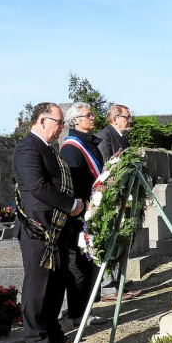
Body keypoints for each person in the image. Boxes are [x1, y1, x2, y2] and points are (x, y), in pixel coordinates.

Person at [13, 102, 84, 343]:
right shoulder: (27, 149)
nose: (61, 128)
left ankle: (52, 331)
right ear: (43, 120)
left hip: (57, 227)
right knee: (38, 284)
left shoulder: (49, 149)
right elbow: (38, 187)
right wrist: (71, 204)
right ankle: (35, 340)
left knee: (56, 282)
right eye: (59, 122)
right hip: (38, 228)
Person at [59, 102, 107, 327]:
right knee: (78, 266)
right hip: (78, 218)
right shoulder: (71, 148)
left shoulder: (89, 144)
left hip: (91, 213)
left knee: (88, 265)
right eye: (88, 115)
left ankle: (86, 309)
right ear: (75, 121)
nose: (93, 117)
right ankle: (78, 314)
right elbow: (73, 184)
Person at [95, 104, 139, 301]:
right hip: (111, 200)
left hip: (123, 198)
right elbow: (105, 168)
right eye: (126, 117)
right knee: (109, 240)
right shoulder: (105, 136)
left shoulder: (122, 137)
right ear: (114, 118)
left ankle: (117, 281)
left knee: (121, 239)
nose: (129, 120)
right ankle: (107, 287)